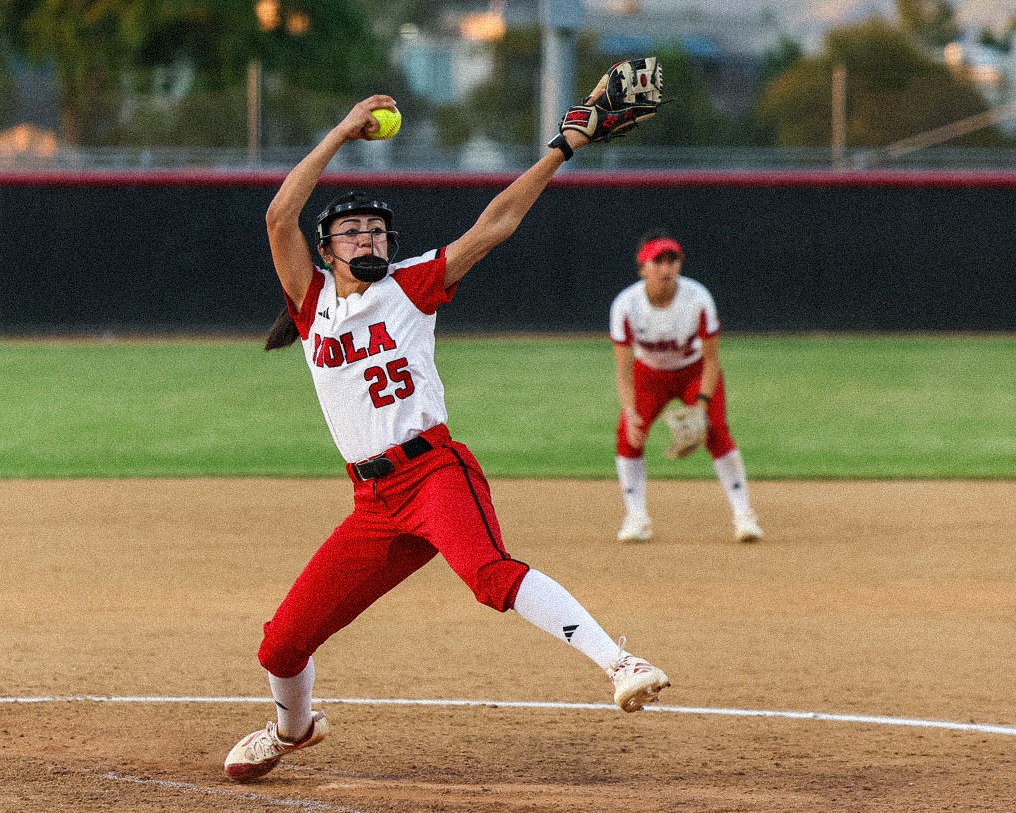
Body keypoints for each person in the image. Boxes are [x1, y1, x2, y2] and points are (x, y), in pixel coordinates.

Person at [223, 92, 670, 783]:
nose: (367, 239)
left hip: (433, 474)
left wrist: (562, 147)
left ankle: (621, 662)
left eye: (375, 230)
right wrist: (341, 129)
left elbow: (496, 223)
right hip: (372, 503)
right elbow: (279, 213)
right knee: (280, 646)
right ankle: (292, 729)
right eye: (351, 232)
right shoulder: (311, 303)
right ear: (326, 249)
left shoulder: (411, 285)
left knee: (488, 574)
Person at [609, 231, 764, 545]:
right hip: (649, 374)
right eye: (658, 261)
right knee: (629, 433)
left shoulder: (697, 298)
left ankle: (744, 516)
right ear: (642, 268)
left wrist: (702, 406)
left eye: (672, 260)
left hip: (694, 371)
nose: (666, 268)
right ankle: (636, 518)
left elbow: (711, 360)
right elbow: (623, 369)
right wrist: (630, 410)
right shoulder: (626, 305)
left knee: (716, 430)